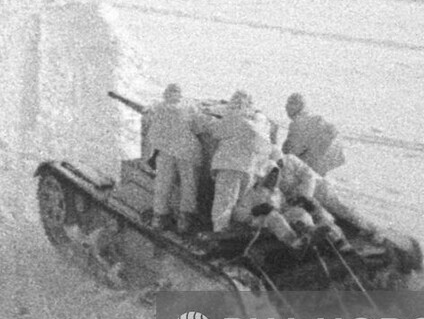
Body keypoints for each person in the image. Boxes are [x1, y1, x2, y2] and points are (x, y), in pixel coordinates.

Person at [198, 90, 274, 233]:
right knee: (237, 203)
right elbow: (265, 148)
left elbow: (214, 131)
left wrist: (206, 116)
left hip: (229, 166)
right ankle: (246, 226)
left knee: (224, 202)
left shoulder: (232, 118)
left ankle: (219, 231)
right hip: (249, 169)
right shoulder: (259, 124)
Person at [251, 150, 352, 254]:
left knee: (314, 209)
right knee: (291, 217)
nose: (273, 177)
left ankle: (336, 236)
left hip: (297, 199)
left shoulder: (290, 164)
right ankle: (302, 240)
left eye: (276, 174)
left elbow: (309, 176)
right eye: (271, 174)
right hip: (275, 214)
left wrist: (302, 197)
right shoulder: (257, 191)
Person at [144, 83, 205, 234]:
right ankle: (184, 220)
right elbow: (199, 128)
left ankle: (159, 217)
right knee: (188, 184)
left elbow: (148, 122)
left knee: (163, 184)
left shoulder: (157, 107)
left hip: (165, 151)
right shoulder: (189, 107)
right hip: (187, 151)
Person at [281, 93, 346, 176]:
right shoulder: (312, 118)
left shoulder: (298, 123)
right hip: (332, 153)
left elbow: (292, 150)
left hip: (319, 156)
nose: (286, 108)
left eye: (290, 105)